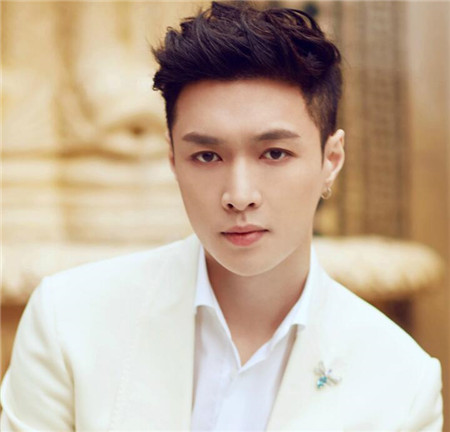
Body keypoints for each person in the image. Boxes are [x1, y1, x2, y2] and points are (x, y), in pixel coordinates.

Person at [0, 2, 443, 431]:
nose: (239, 196)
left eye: (274, 153)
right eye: (207, 156)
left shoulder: (402, 383)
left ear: (331, 160)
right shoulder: (68, 320)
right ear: (173, 160)